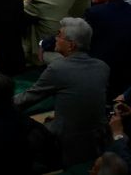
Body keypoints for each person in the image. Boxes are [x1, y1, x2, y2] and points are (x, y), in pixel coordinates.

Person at [13, 17, 109, 167]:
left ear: (71, 45)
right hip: (99, 136)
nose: (55, 39)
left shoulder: (58, 68)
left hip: (69, 139)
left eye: (59, 35)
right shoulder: (102, 67)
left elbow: (28, 98)